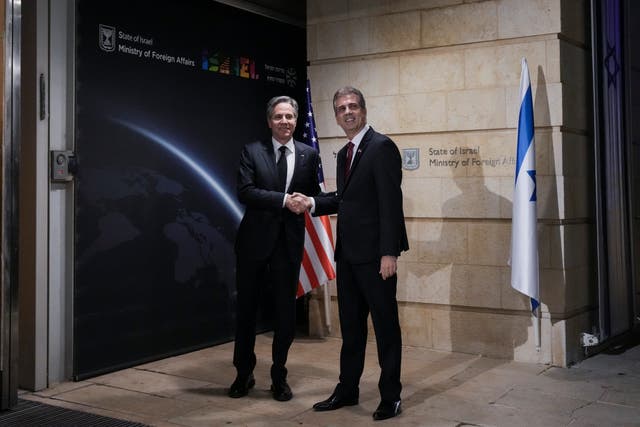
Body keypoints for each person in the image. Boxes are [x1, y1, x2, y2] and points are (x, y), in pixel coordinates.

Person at [300, 86, 408, 421]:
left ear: (363, 109)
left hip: (376, 259)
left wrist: (389, 253)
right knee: (351, 330)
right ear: (335, 115)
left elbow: (390, 203)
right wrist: (312, 202)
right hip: (346, 256)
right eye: (341, 108)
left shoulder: (381, 147)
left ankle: (391, 396)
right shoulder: (346, 152)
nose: (347, 112)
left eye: (353, 106)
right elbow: (347, 200)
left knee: (386, 328)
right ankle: (348, 389)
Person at [229, 95, 320, 402]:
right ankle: (243, 374)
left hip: (289, 247)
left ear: (296, 121)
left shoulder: (309, 155)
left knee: (285, 314)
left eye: (290, 117)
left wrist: (309, 202)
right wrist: (283, 200)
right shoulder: (252, 151)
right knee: (246, 312)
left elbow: (313, 195)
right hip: (253, 244)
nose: (285, 122)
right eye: (279, 117)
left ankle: (279, 376)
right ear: (270, 121)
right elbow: (245, 191)